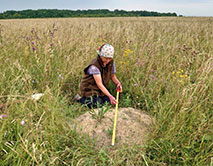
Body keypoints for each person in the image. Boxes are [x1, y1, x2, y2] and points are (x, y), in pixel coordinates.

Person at [75, 44, 122, 108]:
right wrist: (110, 96)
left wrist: (118, 83)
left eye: (109, 58)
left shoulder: (111, 63)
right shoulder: (94, 66)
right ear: (101, 55)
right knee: (97, 104)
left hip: (100, 91)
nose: (107, 61)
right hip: (89, 89)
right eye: (106, 58)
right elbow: (99, 84)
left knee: (107, 102)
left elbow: (112, 76)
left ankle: (99, 98)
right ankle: (80, 99)